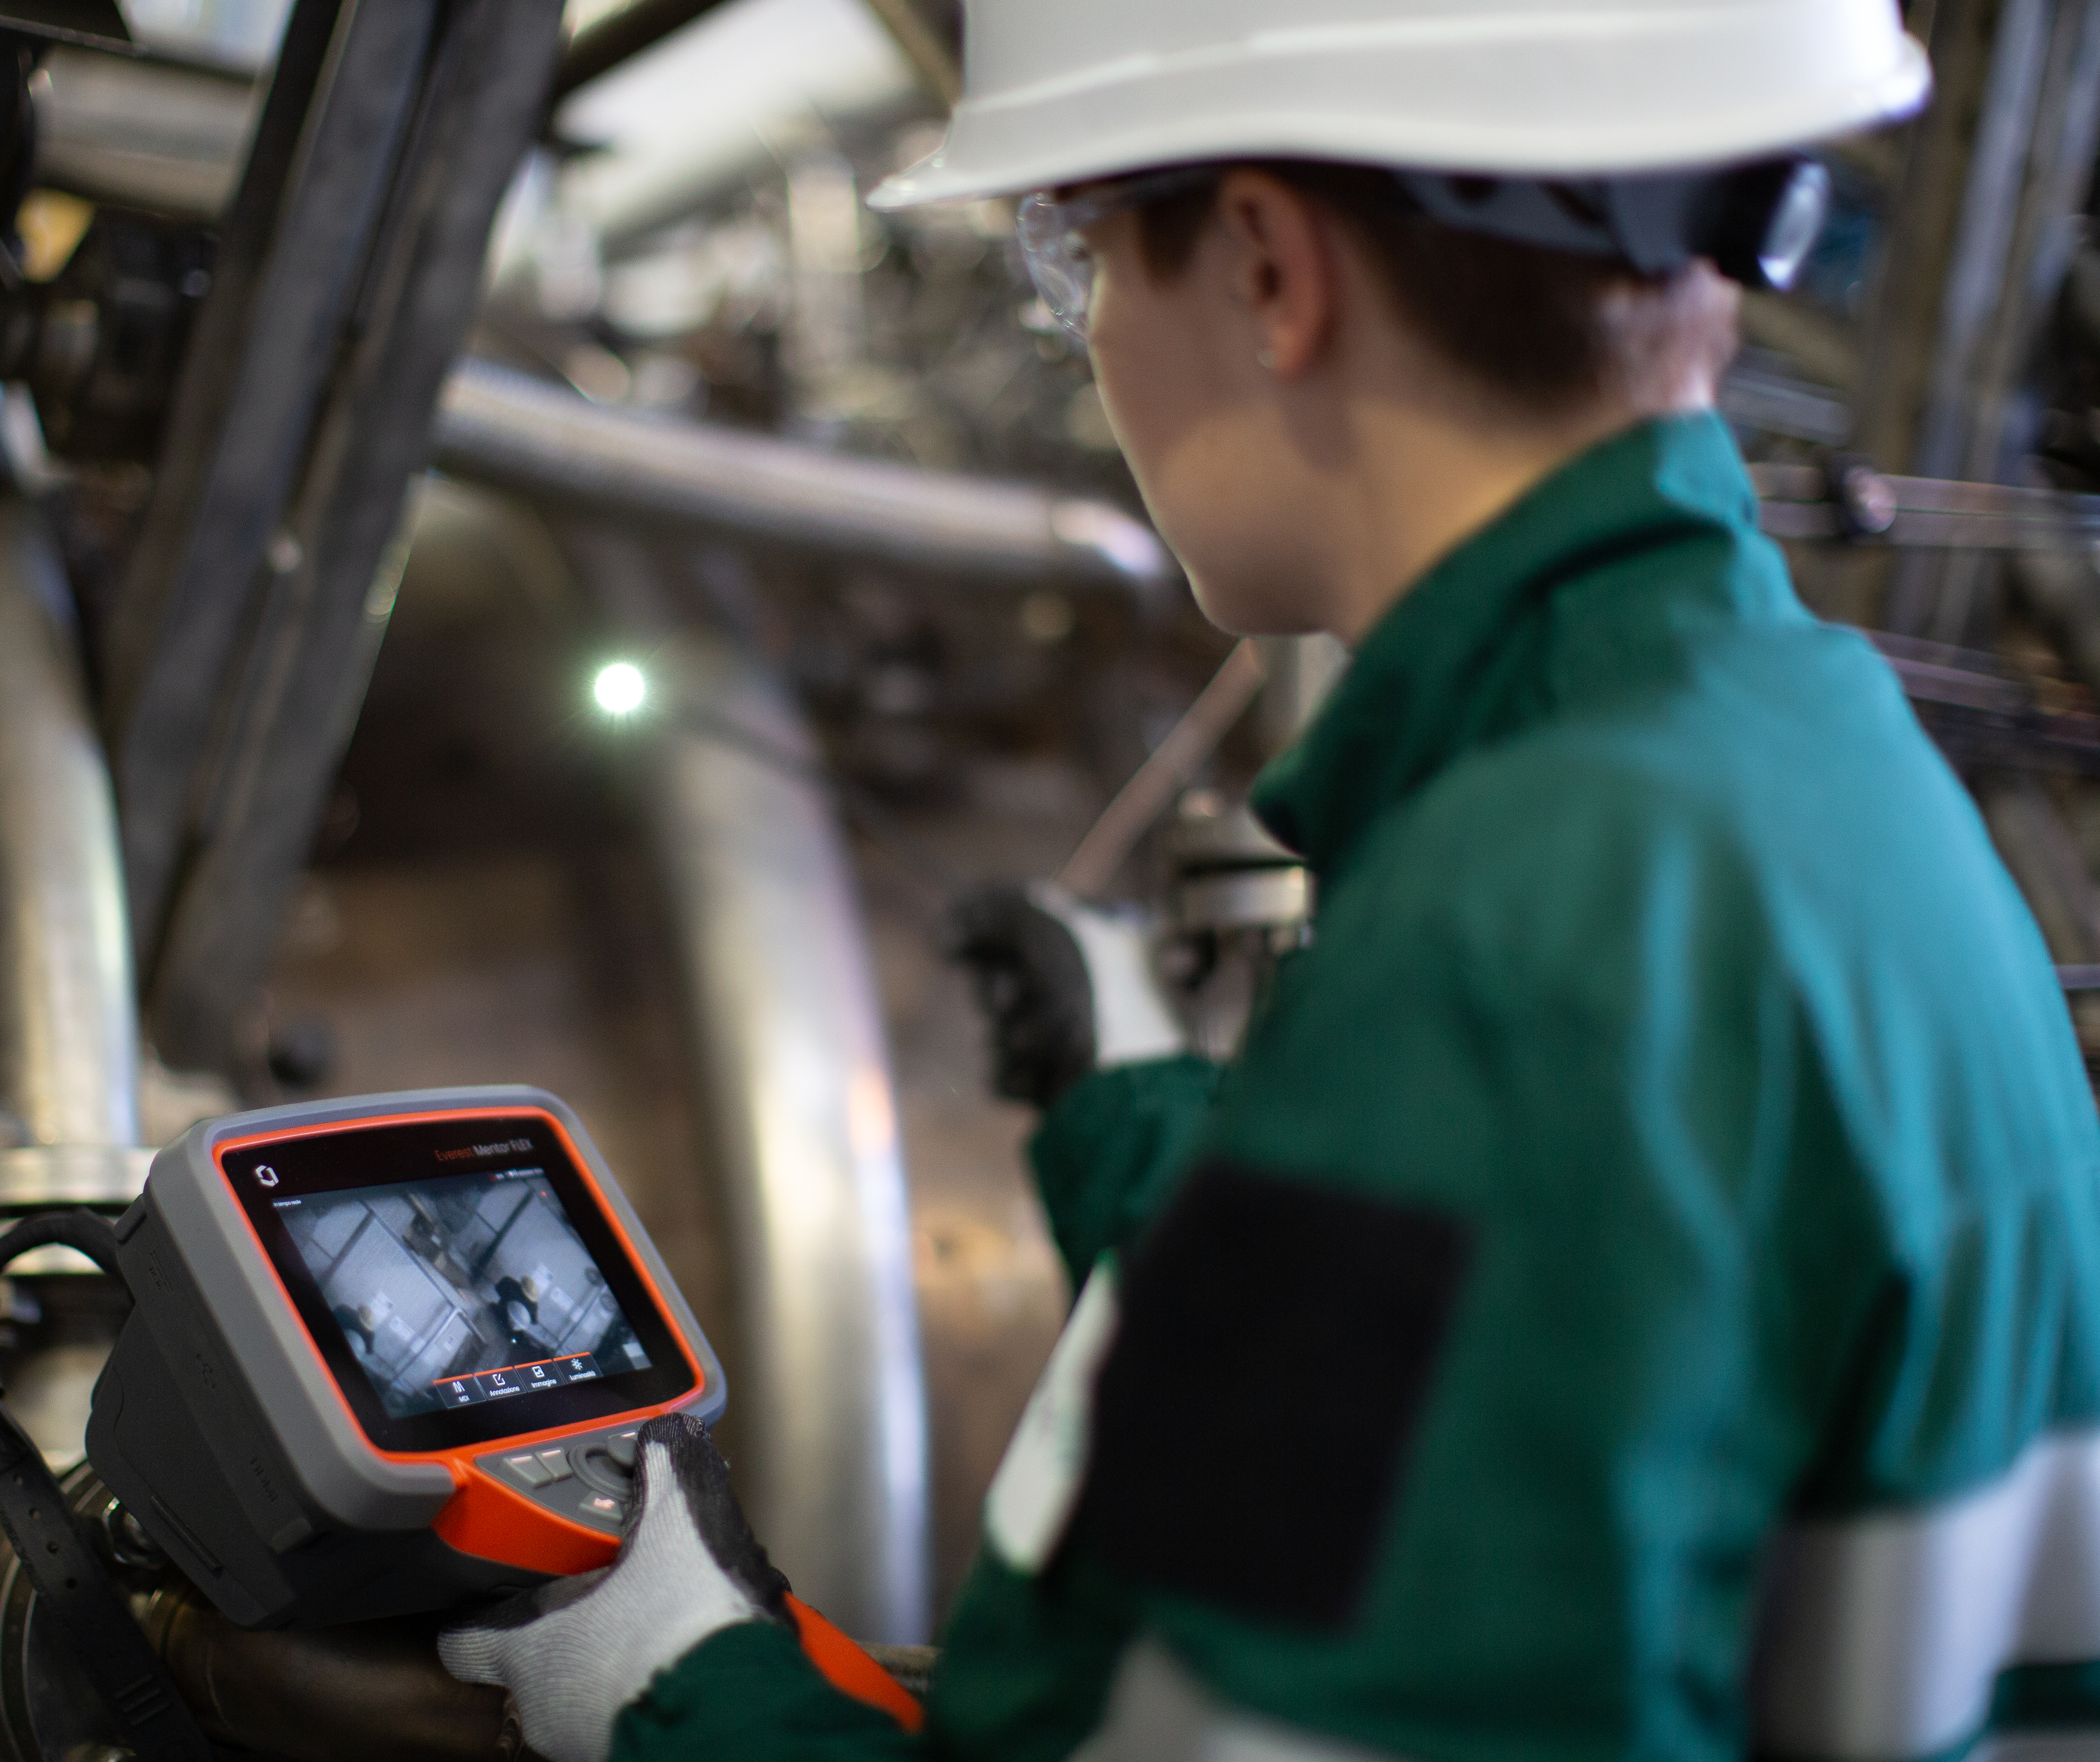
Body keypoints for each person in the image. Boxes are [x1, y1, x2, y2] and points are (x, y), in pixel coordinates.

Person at [441, 4, 2100, 1760]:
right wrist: (1158, 1128)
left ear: (1265, 265)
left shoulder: (1505, 953)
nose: (1083, 339)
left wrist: (681, 1691)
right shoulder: (1835, 771)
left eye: (1071, 257)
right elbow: (1550, 1397)